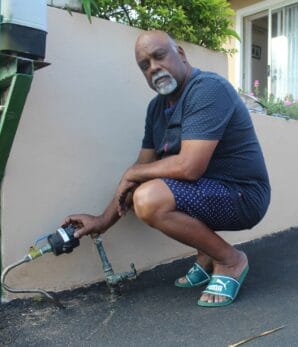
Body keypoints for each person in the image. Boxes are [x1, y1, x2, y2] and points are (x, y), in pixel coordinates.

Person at [63, 30, 271, 307]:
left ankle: (230, 260)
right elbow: (143, 166)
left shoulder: (208, 89)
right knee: (142, 191)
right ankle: (207, 254)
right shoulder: (156, 109)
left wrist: (134, 175)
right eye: (145, 65)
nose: (153, 68)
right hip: (209, 191)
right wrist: (102, 221)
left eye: (159, 56)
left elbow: (189, 167)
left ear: (181, 54)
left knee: (149, 198)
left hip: (244, 196)